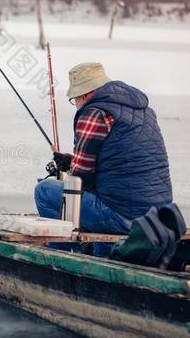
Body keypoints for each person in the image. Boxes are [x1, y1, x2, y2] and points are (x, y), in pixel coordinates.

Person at [34, 62, 173, 256]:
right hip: (160, 216)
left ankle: (66, 254)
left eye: (75, 100)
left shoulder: (94, 113)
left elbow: (81, 179)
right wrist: (71, 161)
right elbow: (121, 161)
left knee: (44, 191)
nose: (76, 105)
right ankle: (104, 254)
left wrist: (73, 170)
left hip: (125, 217)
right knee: (105, 197)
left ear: (84, 94)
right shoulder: (143, 111)